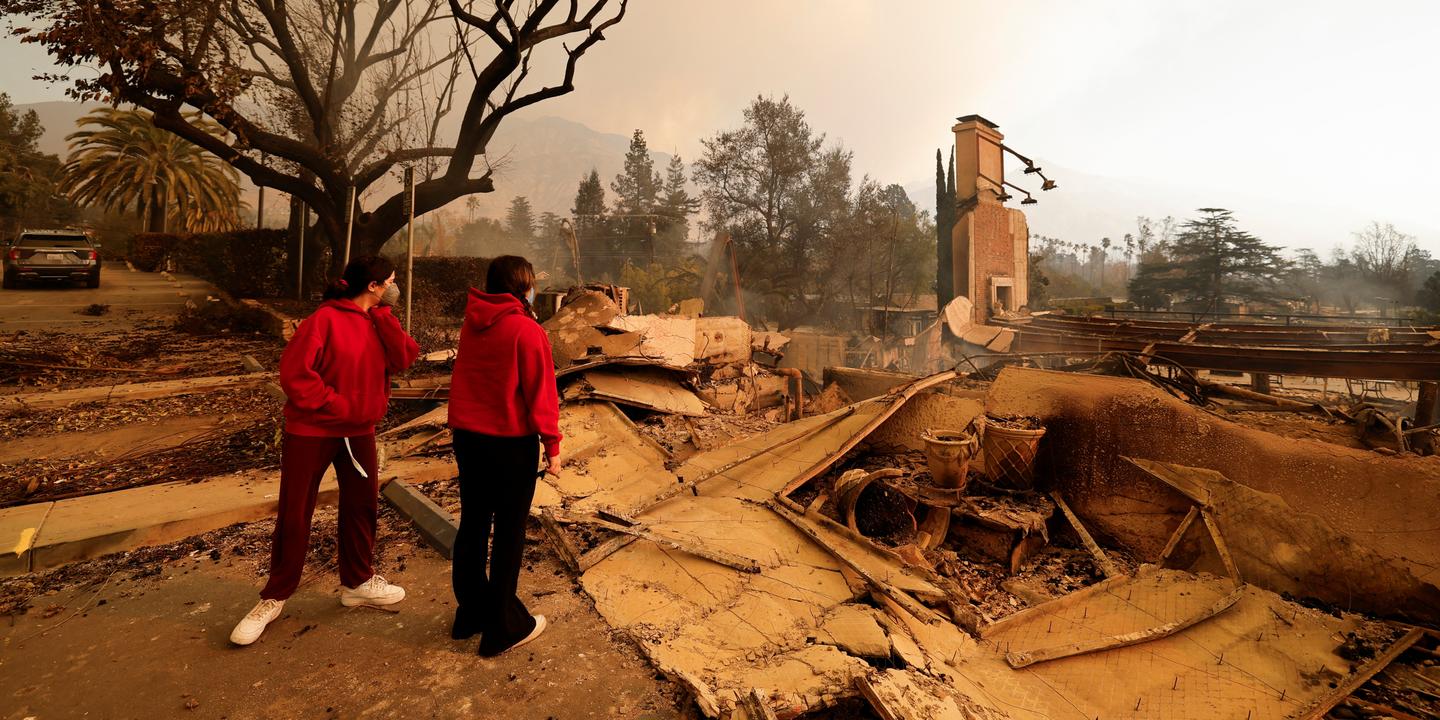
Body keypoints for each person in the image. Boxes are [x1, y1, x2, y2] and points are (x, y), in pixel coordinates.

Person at [230, 255, 420, 646]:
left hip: (359, 432)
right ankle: (274, 596)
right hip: (311, 431)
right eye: (391, 280)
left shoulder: (379, 320)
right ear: (373, 285)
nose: (394, 287)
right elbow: (295, 375)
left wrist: (385, 319)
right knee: (296, 512)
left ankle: (358, 582)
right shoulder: (323, 321)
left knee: (363, 505)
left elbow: (404, 359)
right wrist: (340, 406)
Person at [446, 255, 561, 657]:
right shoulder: (526, 331)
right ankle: (504, 627)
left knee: (474, 524)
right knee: (510, 532)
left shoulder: (472, 323)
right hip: (510, 445)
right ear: (524, 286)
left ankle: (471, 614)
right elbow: (542, 395)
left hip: (468, 440)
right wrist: (553, 447)